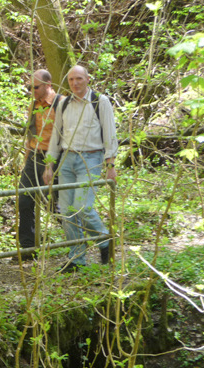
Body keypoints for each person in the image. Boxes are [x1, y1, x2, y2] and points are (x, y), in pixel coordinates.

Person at [43, 65, 118, 272]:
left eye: (79, 79)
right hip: (67, 159)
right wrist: (50, 165)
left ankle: (105, 241)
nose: (75, 83)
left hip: (91, 158)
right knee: (66, 211)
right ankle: (76, 259)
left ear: (87, 79)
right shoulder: (64, 103)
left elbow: (110, 134)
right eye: (71, 80)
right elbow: (56, 136)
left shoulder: (99, 102)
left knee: (83, 207)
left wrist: (110, 165)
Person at [17, 69, 63, 256]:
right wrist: (26, 158)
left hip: (53, 158)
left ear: (48, 85)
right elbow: (31, 134)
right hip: (34, 156)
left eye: (35, 87)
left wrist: (51, 164)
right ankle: (28, 248)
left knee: (54, 204)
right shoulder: (34, 105)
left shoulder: (61, 104)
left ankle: (78, 240)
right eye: (30, 87)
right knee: (24, 199)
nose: (32, 90)